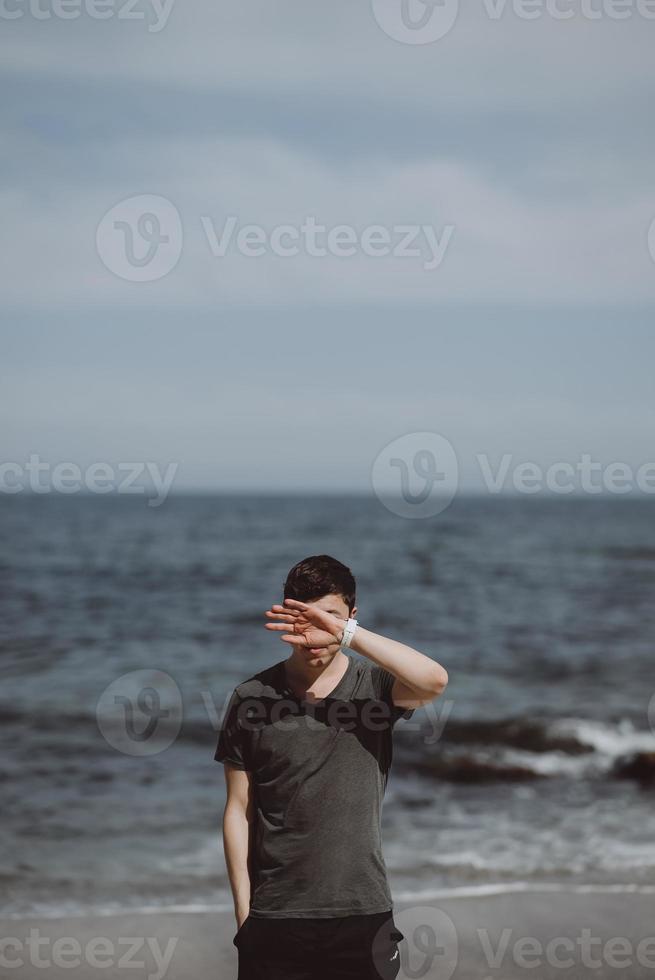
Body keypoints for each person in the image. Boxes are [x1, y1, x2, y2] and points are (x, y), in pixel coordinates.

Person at [214, 554, 448, 980]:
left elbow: (434, 681)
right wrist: (244, 916)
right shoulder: (251, 698)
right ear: (288, 613)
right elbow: (238, 811)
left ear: (352, 618)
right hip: (275, 917)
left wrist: (348, 635)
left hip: (362, 911)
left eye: (332, 618)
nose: (317, 633)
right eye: (306, 617)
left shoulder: (375, 690)